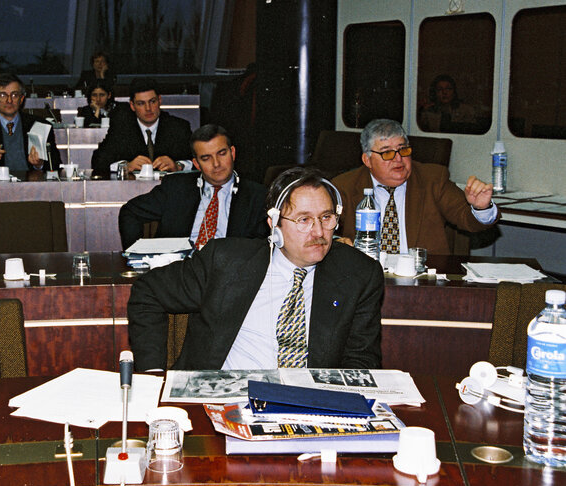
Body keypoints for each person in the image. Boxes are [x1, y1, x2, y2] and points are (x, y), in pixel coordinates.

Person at [128, 167, 384, 371]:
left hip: (309, 405)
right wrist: (152, 374)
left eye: (327, 218)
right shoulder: (227, 261)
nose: (318, 232)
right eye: (303, 220)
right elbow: (147, 292)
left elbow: (361, 361)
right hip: (223, 398)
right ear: (274, 224)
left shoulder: (359, 274)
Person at [332, 119, 499, 255]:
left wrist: (481, 208)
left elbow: (466, 217)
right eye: (387, 152)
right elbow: (325, 230)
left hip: (421, 277)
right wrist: (336, 242)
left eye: (403, 150)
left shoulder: (432, 179)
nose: (398, 159)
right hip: (366, 278)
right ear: (367, 160)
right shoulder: (344, 186)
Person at [118, 124, 269, 250]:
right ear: (196, 164)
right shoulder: (176, 188)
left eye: (222, 154)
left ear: (233, 153)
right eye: (206, 158)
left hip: (228, 275)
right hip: (178, 272)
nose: (216, 164)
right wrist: (136, 256)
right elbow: (129, 212)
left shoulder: (257, 196)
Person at [91, 78, 192, 179]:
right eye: (141, 103)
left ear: (159, 100)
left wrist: (179, 166)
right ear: (132, 106)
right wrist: (126, 166)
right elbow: (98, 160)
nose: (148, 108)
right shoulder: (121, 128)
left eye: (152, 101)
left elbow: (197, 160)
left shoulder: (179, 127)